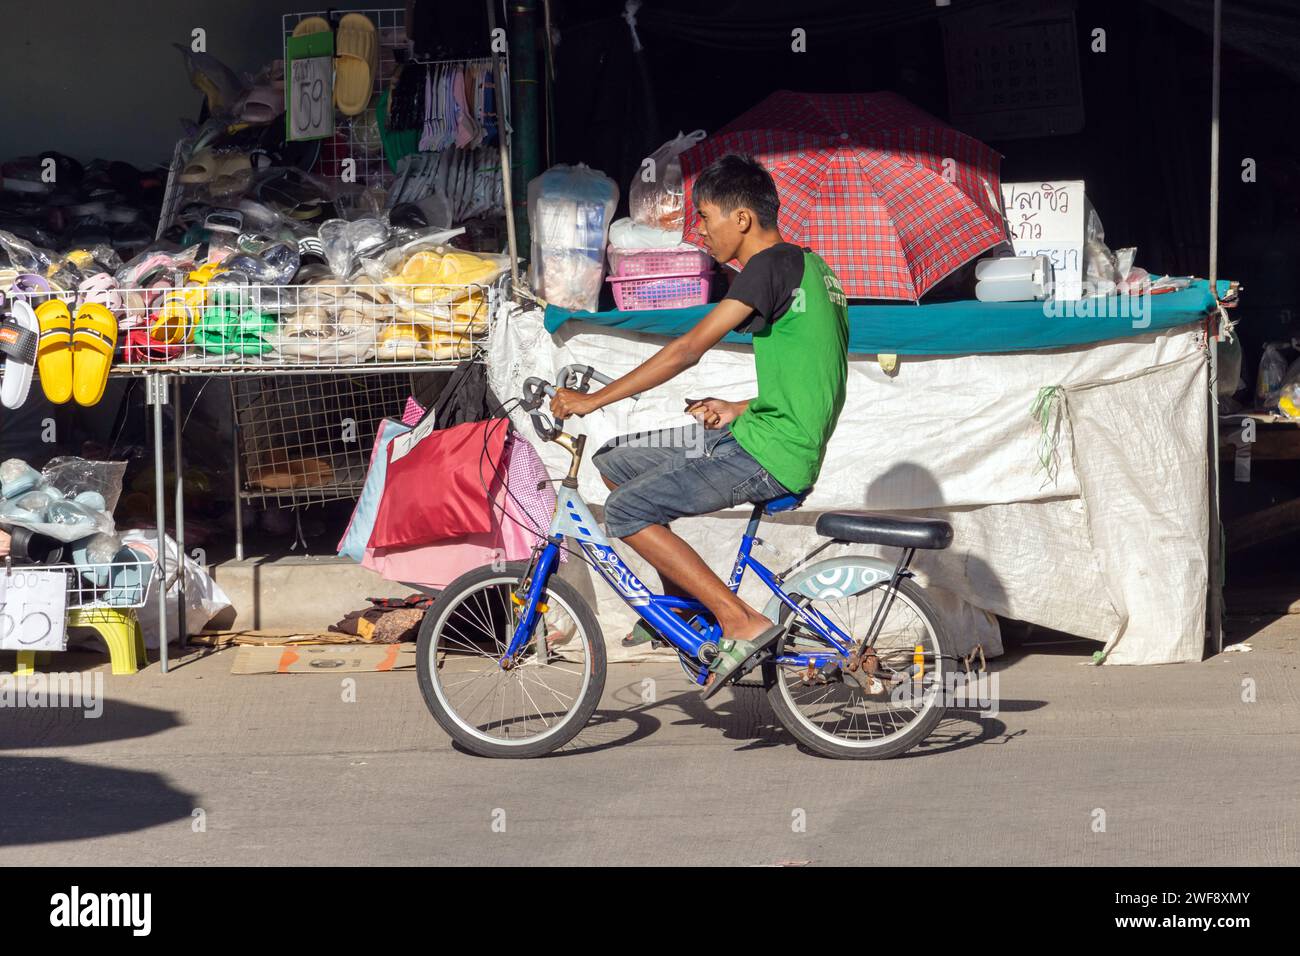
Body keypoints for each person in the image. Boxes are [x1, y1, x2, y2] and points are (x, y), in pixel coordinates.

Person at [549, 153, 848, 692]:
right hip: (759, 433)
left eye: (705, 217)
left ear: (741, 219)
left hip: (767, 454)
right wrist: (739, 408)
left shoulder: (769, 265)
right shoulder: (809, 267)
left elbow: (688, 348)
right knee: (616, 460)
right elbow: (815, 374)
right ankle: (685, 610)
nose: (700, 232)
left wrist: (591, 402)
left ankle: (739, 620)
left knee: (626, 508)